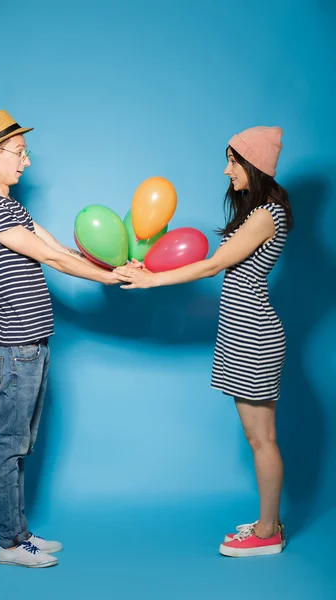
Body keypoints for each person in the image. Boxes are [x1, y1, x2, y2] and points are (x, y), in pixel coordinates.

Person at [115, 126, 293, 558]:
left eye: (234, 161)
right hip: (241, 334)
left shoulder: (267, 214)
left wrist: (152, 280)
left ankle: (268, 532)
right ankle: (269, 521)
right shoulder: (257, 211)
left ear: (255, 165)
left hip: (255, 337)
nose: (227, 170)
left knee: (261, 439)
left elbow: (213, 267)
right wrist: (149, 265)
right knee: (258, 437)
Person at [0, 109, 122, 568]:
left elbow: (58, 248)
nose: (27, 162)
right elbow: (51, 261)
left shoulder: (12, 206)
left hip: (35, 345)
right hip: (16, 349)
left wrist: (114, 268)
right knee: (9, 444)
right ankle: (9, 544)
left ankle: (19, 532)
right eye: (19, 153)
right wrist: (110, 282)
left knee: (23, 443)